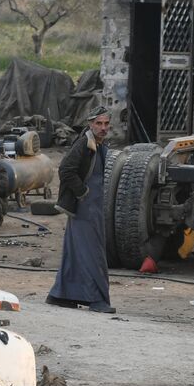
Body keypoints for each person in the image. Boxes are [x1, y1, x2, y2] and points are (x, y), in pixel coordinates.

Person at [47, 108, 114, 314]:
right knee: (93, 253)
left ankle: (61, 296)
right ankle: (97, 300)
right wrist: (82, 192)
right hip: (85, 207)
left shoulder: (98, 144)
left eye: (105, 124)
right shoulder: (84, 143)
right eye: (99, 124)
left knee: (75, 251)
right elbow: (66, 170)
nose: (103, 128)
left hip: (92, 207)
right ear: (91, 124)